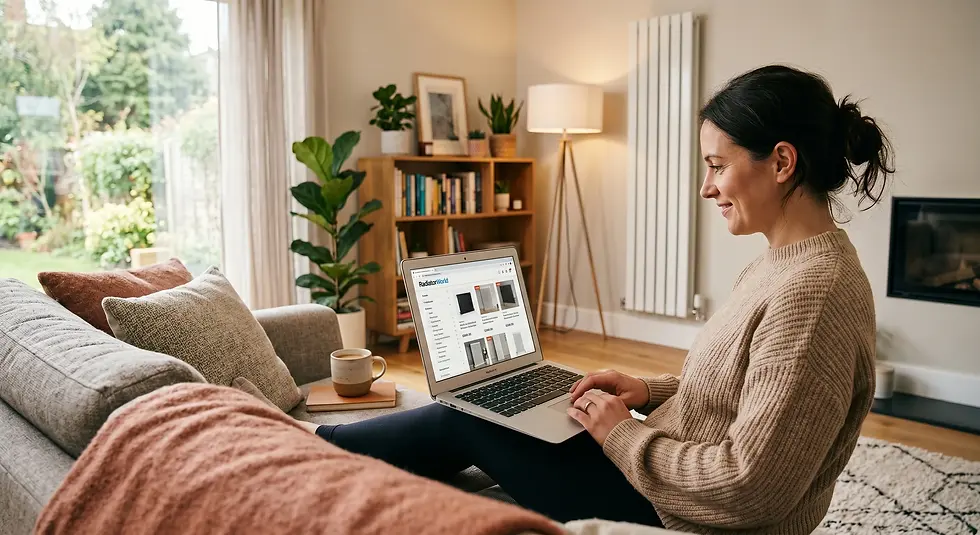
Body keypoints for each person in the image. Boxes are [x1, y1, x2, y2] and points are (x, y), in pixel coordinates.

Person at [302, 64, 894, 534]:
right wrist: (646, 390)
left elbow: (748, 488)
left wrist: (620, 435)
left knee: (470, 416)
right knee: (485, 410)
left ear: (783, 162)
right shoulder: (784, 264)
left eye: (717, 165)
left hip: (683, 518)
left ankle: (308, 457)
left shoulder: (812, 295)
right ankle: (327, 461)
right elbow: (736, 390)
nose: (705, 185)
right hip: (665, 483)